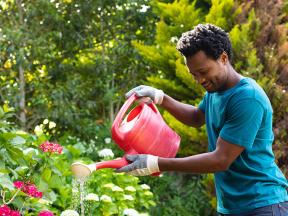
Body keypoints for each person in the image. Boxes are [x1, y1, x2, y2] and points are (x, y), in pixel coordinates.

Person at [115, 23, 288, 215]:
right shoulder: (217, 90)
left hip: (263, 204)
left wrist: (157, 163)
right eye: (194, 75)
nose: (200, 80)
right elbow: (197, 117)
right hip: (232, 206)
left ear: (223, 58)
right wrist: (160, 97)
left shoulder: (247, 98)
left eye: (203, 72)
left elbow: (220, 160)